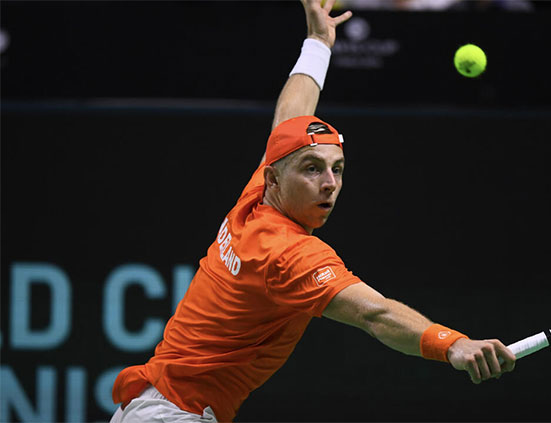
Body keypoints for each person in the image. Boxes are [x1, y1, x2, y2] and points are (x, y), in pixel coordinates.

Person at [110, 0, 516, 421]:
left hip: (146, 407)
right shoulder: (290, 255)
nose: (329, 183)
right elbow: (373, 313)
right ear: (277, 178)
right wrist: (453, 344)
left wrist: (318, 44)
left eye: (337, 169)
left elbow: (291, 116)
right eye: (312, 169)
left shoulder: (260, 194)